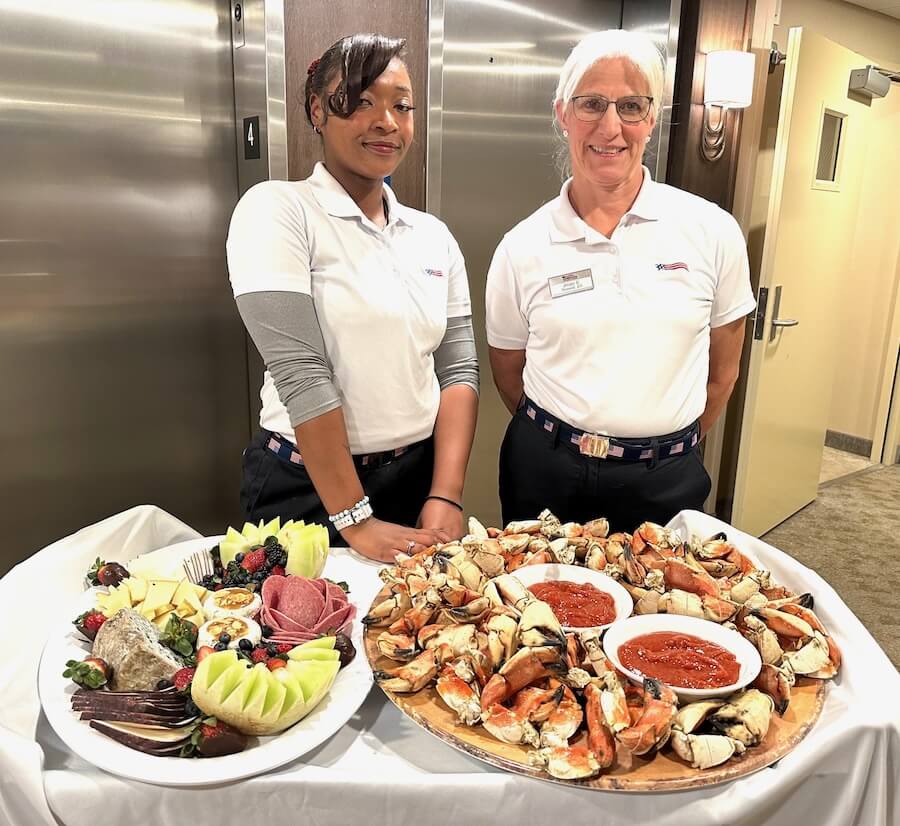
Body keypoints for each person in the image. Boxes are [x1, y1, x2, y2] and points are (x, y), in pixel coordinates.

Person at [486, 29, 755, 532]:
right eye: (591, 104)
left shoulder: (713, 231)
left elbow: (724, 373)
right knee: (538, 608)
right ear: (562, 113)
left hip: (666, 479)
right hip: (546, 472)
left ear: (651, 119)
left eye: (630, 106)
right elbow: (509, 374)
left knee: (663, 608)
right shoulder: (520, 247)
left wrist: (657, 446)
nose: (610, 127)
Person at [227, 33, 479, 563]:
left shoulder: (433, 236)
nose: (387, 121)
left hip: (415, 480)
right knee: (307, 644)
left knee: (415, 643)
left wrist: (445, 493)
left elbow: (457, 371)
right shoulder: (278, 210)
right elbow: (301, 370)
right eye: (362, 101)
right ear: (318, 110)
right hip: (309, 489)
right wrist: (354, 519)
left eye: (401, 105)